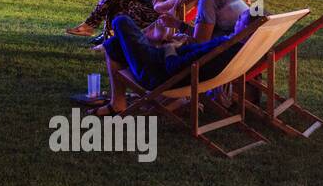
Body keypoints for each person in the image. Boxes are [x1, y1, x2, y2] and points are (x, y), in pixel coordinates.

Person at [97, 8, 254, 115]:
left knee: (121, 21)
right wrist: (179, 47)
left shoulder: (224, 47)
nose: (237, 20)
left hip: (157, 73)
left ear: (247, 28)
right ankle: (117, 104)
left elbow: (175, 67)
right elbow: (194, 56)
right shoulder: (240, 49)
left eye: (241, 19)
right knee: (114, 44)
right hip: (164, 63)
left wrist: (170, 48)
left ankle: (117, 104)